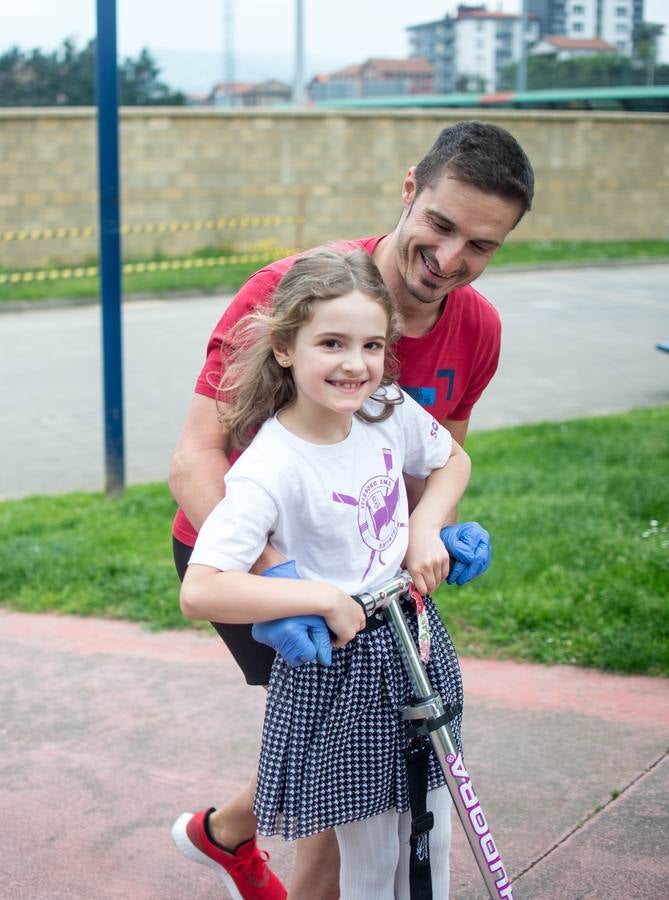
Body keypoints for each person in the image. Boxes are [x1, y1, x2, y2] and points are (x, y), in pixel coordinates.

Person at [168, 120, 534, 899]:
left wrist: (429, 534)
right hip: (249, 545)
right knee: (352, 785)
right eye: (439, 225)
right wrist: (282, 578)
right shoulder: (290, 294)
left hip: (360, 557)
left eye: (481, 245)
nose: (450, 259)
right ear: (409, 191)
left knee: (361, 757)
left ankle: (226, 832)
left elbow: (428, 463)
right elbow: (194, 460)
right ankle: (240, 842)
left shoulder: (477, 330)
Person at [175, 248, 471, 899]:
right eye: (331, 343)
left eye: (371, 344)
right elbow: (201, 588)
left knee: (432, 830)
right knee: (365, 855)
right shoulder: (270, 466)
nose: (355, 364)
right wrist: (319, 598)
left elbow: (453, 460)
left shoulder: (388, 410)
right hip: (346, 672)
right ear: (284, 347)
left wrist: (428, 527)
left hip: (415, 637)